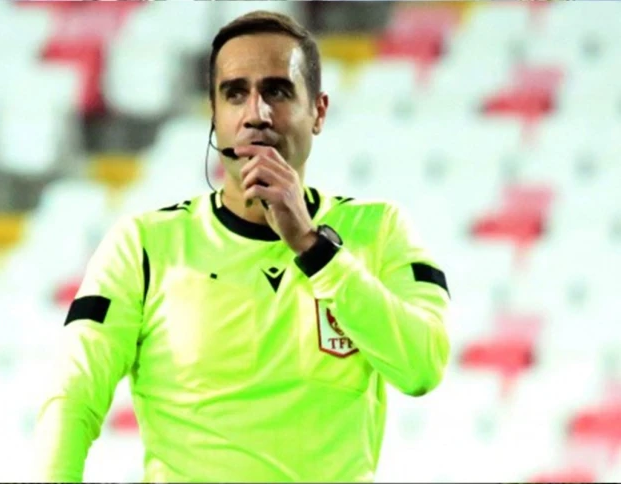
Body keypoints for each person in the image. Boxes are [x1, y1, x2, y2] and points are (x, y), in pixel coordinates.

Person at [34, 9, 451, 483]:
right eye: (235, 94)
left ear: (318, 111)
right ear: (214, 115)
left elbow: (422, 366)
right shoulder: (143, 246)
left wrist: (313, 247)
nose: (256, 114)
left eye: (278, 91)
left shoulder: (379, 230)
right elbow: (73, 397)